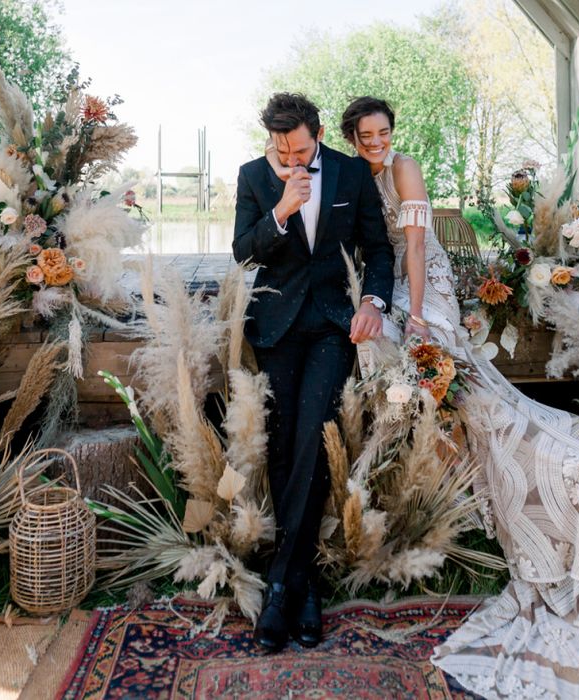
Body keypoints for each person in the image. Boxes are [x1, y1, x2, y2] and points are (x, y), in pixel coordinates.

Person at [269, 96, 579, 698]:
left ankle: (554, 475)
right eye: (365, 137)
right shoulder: (348, 175)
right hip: (390, 291)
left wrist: (417, 316)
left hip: (426, 288)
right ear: (350, 138)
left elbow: (414, 246)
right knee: (411, 382)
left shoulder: (403, 168)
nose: (376, 143)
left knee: (451, 381)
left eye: (383, 132)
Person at [233, 93, 394, 653]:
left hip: (332, 325)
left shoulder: (350, 173)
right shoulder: (255, 176)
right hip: (275, 325)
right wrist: (280, 208)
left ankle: (279, 587)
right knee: (281, 446)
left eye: (301, 148)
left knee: (311, 435)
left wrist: (373, 301)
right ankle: (303, 588)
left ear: (319, 133)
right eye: (282, 150)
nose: (293, 159)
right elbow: (241, 252)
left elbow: (378, 248)